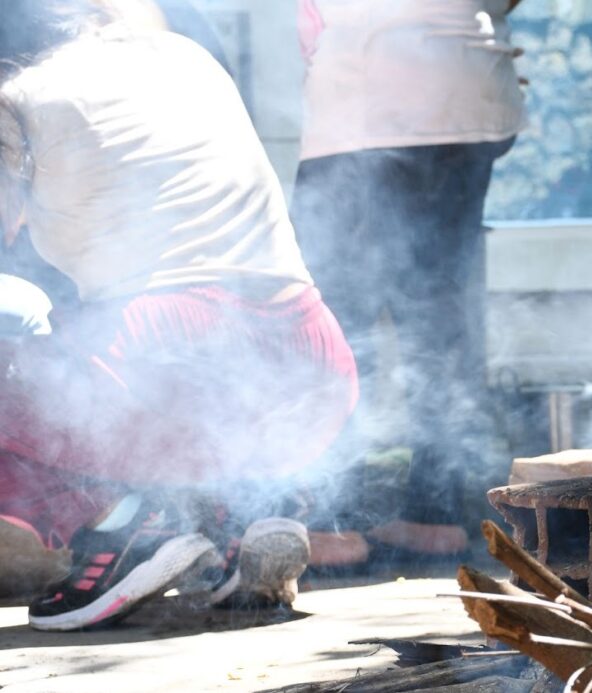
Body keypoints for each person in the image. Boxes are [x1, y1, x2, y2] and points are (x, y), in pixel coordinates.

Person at [0, 0, 358, 630]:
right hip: (310, 363)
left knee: (56, 374)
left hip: (163, 354)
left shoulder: (21, 99)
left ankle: (120, 525)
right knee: (103, 356)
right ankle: (231, 521)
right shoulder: (186, 60)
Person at [292, 0, 524, 561]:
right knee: (440, 317)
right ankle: (434, 514)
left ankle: (331, 520)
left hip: (367, 107)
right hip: (465, 96)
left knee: (336, 318)